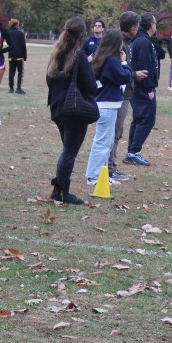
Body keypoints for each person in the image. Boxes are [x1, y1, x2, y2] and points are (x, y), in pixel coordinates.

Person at [46, 17, 97, 205]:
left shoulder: (56, 54)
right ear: (82, 35)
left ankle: (58, 189)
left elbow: (49, 80)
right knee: (70, 151)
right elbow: (91, 86)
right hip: (74, 109)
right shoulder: (79, 57)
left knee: (67, 149)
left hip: (58, 108)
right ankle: (61, 191)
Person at [85, 29, 132, 186]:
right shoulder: (111, 60)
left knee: (107, 142)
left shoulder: (101, 57)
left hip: (104, 103)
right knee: (103, 142)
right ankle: (94, 176)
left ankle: (102, 175)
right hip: (107, 105)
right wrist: (124, 62)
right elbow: (125, 77)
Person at [105, 12, 141, 184]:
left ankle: (111, 166)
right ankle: (109, 169)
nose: (138, 29)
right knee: (114, 132)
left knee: (116, 132)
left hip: (123, 94)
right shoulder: (119, 44)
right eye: (137, 26)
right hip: (118, 95)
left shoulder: (125, 42)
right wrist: (134, 74)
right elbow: (116, 70)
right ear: (133, 28)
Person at [124, 12, 159, 166]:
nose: (156, 26)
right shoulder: (143, 41)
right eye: (155, 23)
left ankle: (132, 151)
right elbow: (145, 67)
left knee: (138, 118)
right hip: (142, 88)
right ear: (151, 25)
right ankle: (134, 152)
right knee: (146, 119)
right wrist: (149, 89)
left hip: (137, 87)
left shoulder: (139, 40)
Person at [7, 17, 27, 94]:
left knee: (11, 72)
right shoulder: (20, 33)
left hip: (11, 56)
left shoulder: (9, 33)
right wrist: (25, 56)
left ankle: (11, 89)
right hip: (19, 56)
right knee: (20, 72)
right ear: (16, 25)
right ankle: (18, 88)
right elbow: (23, 45)